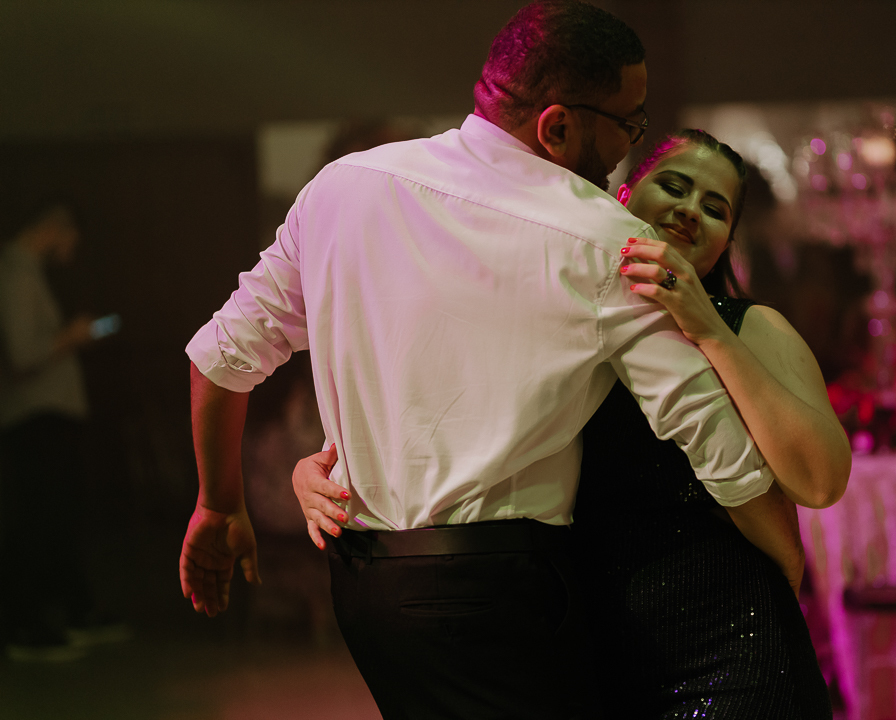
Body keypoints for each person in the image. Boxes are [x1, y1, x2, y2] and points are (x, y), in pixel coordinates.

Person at [180, 2, 832, 717]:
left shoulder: (344, 185)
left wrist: (218, 501)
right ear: (557, 126)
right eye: (628, 125)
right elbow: (717, 447)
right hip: (505, 588)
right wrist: (790, 565)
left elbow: (221, 358)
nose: (629, 143)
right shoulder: (599, 236)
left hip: (370, 589)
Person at [294, 130, 850, 718]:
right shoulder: (553, 322)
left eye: (715, 209)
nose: (691, 210)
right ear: (624, 195)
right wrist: (322, 466)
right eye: (675, 186)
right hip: (588, 653)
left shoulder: (751, 327)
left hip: (730, 646)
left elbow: (820, 481)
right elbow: (439, 418)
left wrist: (709, 329)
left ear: (726, 242)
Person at [0, 199, 120, 662]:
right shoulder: (14, 272)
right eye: (72, 238)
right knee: (37, 521)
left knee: (54, 518)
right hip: (35, 418)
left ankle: (65, 614)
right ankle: (25, 625)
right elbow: (24, 354)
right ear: (56, 226)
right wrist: (73, 335)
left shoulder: (24, 270)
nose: (73, 250)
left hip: (46, 417)